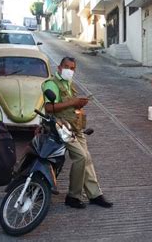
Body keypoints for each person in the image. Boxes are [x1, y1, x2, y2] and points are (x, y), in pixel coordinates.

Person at [42, 57, 112, 209]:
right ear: (60, 67)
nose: (69, 70)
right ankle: (73, 196)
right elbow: (48, 108)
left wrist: (79, 104)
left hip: (75, 127)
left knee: (86, 158)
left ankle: (95, 195)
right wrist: (73, 102)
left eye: (72, 68)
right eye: (66, 66)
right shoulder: (51, 84)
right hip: (62, 128)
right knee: (80, 157)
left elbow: (70, 105)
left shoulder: (68, 83)